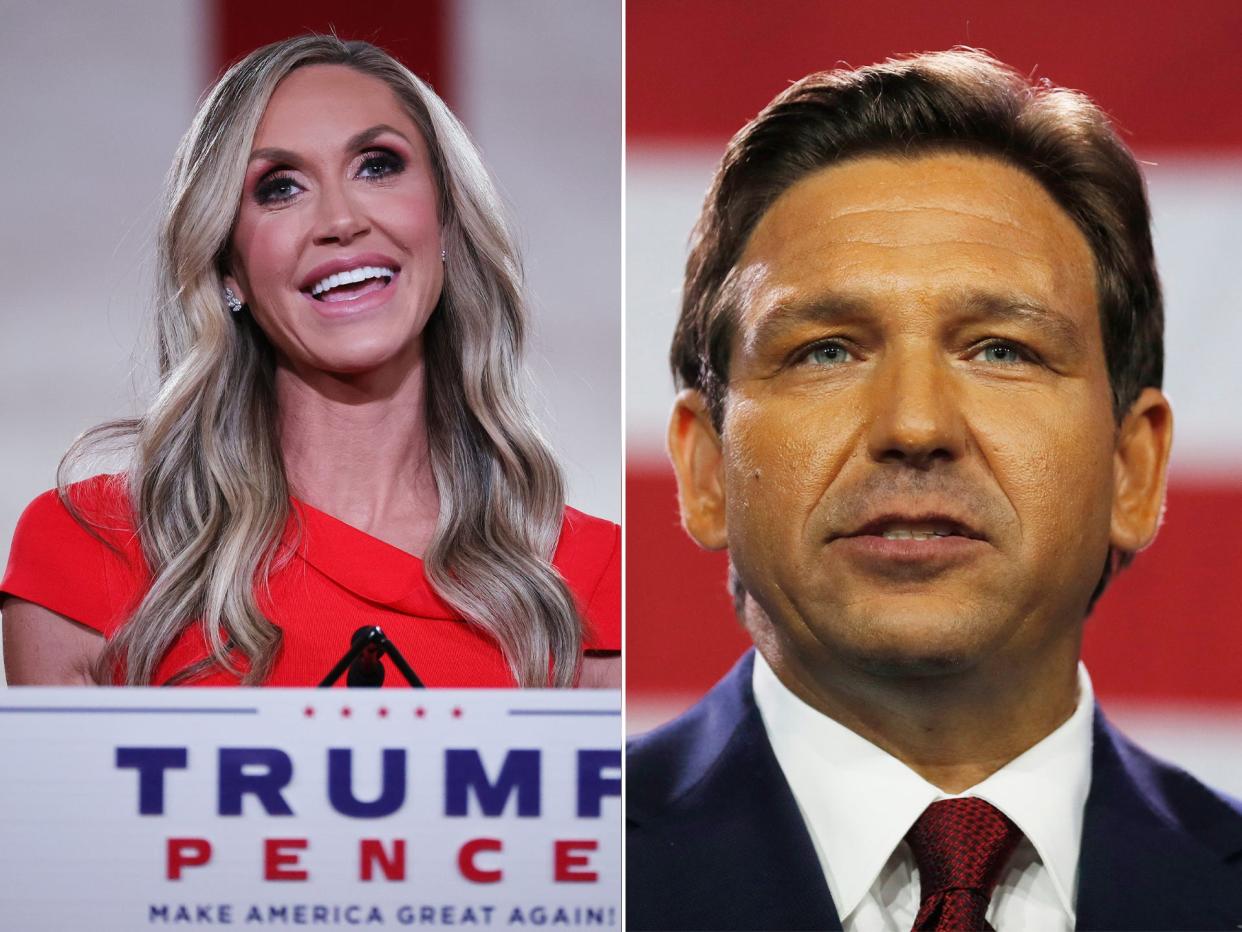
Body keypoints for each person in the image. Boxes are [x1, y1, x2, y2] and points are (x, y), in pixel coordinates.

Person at [627, 49, 1242, 930]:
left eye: (1003, 350)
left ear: (1131, 471)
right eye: (826, 350)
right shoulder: (534, 878)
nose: (915, 427)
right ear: (706, 470)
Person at [0, 35, 619, 689]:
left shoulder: (590, 578)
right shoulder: (88, 548)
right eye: (280, 188)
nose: (340, 220)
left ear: (446, 224)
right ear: (226, 269)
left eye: (377, 165)